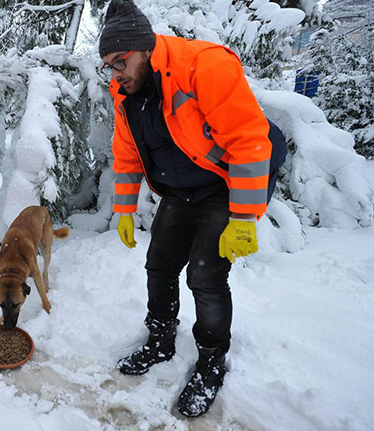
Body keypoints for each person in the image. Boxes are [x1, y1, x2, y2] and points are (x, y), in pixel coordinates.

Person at [98, 0, 286, 417]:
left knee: (205, 273)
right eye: (108, 65)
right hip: (181, 190)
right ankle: (161, 339)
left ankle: (211, 361)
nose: (115, 73)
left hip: (226, 180)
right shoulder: (125, 90)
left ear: (144, 48)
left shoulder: (203, 66)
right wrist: (124, 209)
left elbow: (249, 141)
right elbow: (126, 153)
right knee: (160, 264)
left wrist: (243, 217)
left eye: (120, 61)